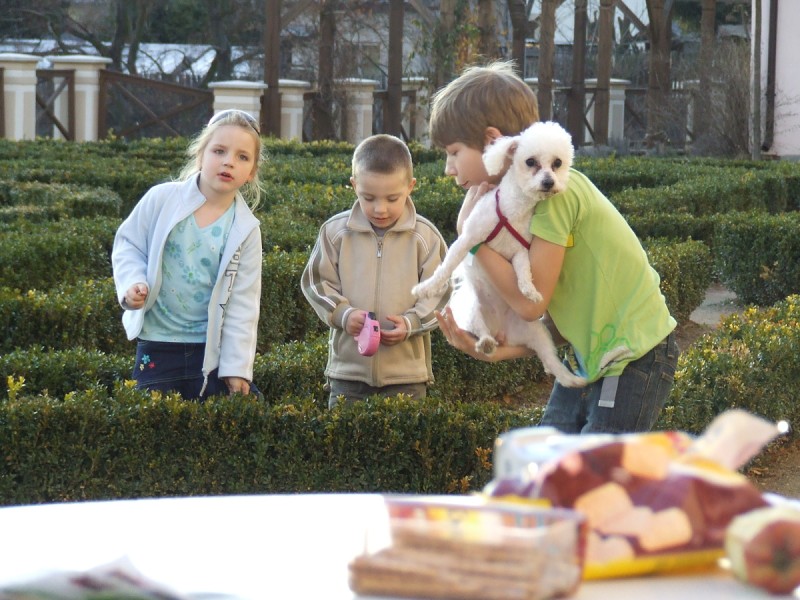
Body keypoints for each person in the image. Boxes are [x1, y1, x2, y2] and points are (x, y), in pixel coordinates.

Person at [430, 61, 678, 434]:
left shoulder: (553, 197)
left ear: (491, 141)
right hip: (591, 356)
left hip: (634, 357)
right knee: (549, 473)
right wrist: (500, 352)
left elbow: (531, 304)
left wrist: (472, 238)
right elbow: (558, 319)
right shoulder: (517, 204)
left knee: (587, 482)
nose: (449, 168)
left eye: (452, 152)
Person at [112, 109, 264, 401]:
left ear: (251, 172)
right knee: (152, 430)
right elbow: (129, 244)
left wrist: (237, 368)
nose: (229, 161)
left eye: (242, 157)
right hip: (158, 344)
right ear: (201, 155)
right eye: (219, 151)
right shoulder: (161, 198)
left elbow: (244, 304)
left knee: (236, 423)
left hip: (211, 352)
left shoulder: (246, 229)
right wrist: (131, 283)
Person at [301, 134, 450, 408]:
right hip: (348, 372)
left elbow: (442, 292)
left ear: (411, 187)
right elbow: (317, 282)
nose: (380, 209)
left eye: (392, 198)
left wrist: (411, 323)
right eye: (368, 197)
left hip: (406, 376)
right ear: (354, 185)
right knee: (344, 447)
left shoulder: (424, 236)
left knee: (403, 449)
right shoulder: (336, 233)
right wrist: (343, 314)